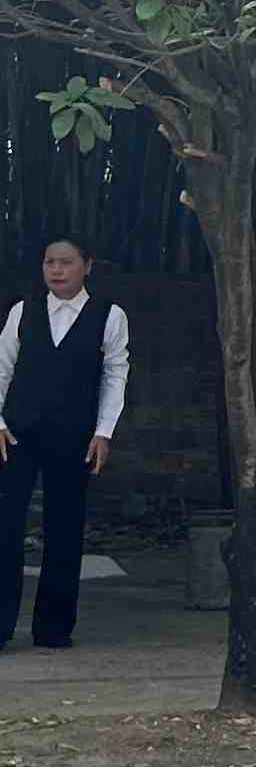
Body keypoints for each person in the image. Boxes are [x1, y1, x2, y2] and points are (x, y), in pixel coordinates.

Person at [0, 235, 130, 652]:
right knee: (5, 526)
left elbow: (115, 375)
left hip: (75, 435)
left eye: (66, 262)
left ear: (87, 266)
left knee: (65, 528)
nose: (56, 270)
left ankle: (53, 628)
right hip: (16, 433)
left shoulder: (109, 316)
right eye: (49, 262)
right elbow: (2, 367)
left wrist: (104, 431)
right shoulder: (23, 311)